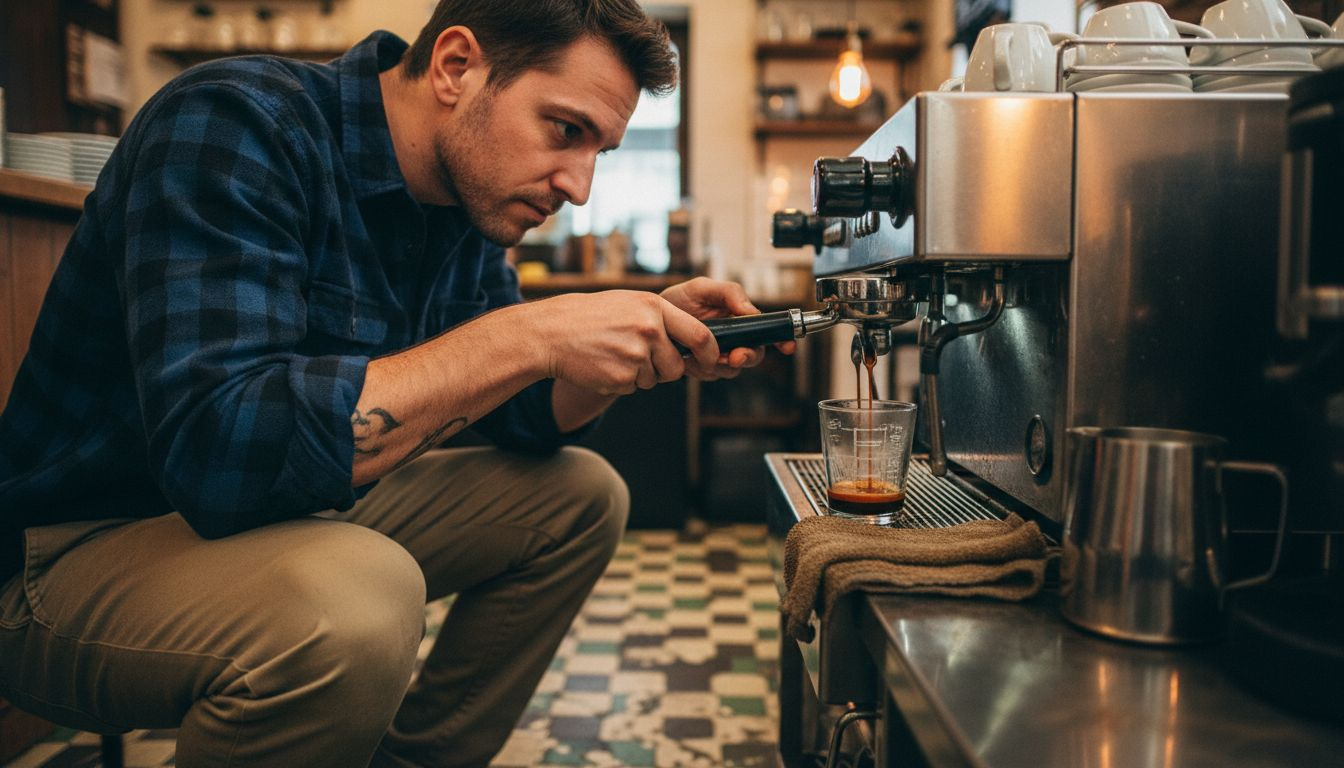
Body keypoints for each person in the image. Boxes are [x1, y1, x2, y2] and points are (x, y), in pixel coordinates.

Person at [0, 1, 793, 765]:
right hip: (70, 557)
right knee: (361, 599)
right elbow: (218, 451)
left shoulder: (464, 196)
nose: (579, 186)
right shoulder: (233, 123)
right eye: (564, 130)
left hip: (274, 520)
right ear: (456, 66)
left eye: (600, 152)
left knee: (581, 495)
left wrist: (625, 353)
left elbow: (522, 417)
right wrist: (532, 332)